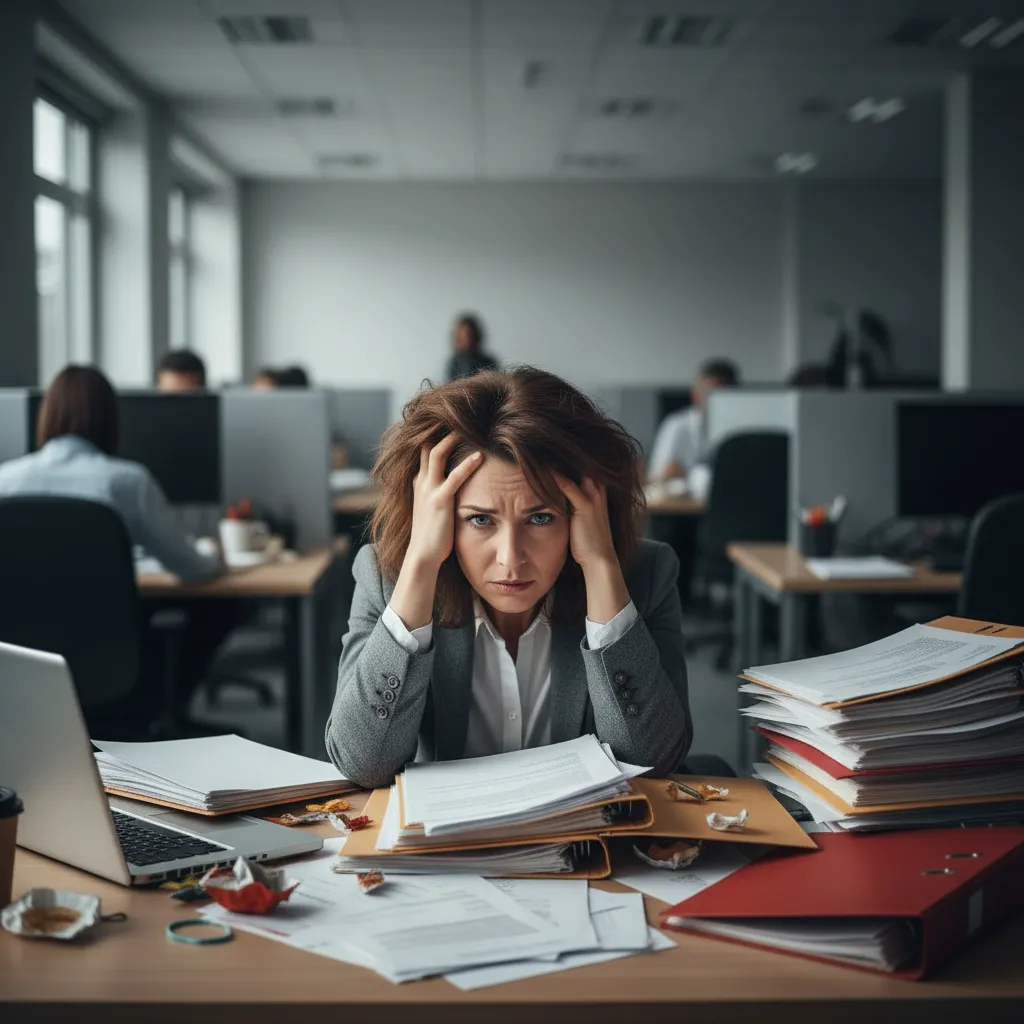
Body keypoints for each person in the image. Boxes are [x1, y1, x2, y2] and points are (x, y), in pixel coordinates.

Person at [325, 367, 692, 789]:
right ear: (438, 518)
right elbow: (362, 763)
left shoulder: (643, 576)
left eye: (540, 517)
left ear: (582, 514)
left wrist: (600, 566)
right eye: (480, 519)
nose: (510, 559)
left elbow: (652, 761)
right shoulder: (388, 578)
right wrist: (422, 559)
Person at [0, 366, 219, 583]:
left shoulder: (5, 480)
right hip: (97, 616)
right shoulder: (130, 482)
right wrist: (211, 553)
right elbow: (192, 568)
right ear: (110, 417)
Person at [647, 358, 740, 488]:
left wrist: (683, 473)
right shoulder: (676, 425)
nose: (712, 399)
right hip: (684, 505)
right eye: (708, 392)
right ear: (695, 392)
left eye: (720, 394)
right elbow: (659, 476)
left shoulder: (742, 429)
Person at [446, 313, 499, 381]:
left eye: (468, 335)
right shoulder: (453, 363)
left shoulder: (488, 362)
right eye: (461, 335)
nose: (465, 339)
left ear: (475, 336)